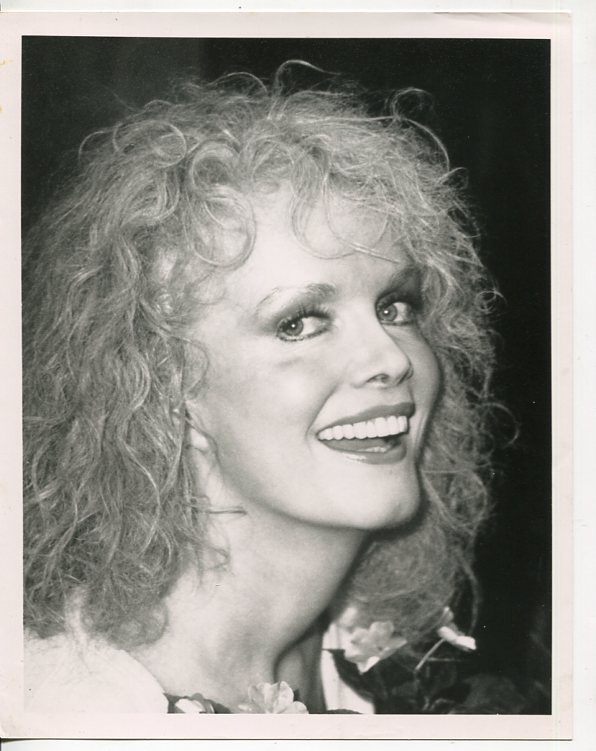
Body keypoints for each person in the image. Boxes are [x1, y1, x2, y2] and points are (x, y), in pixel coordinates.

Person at [22, 65, 496, 715]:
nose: (389, 357)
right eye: (299, 323)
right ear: (163, 383)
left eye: (395, 307)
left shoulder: (375, 649)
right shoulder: (78, 714)